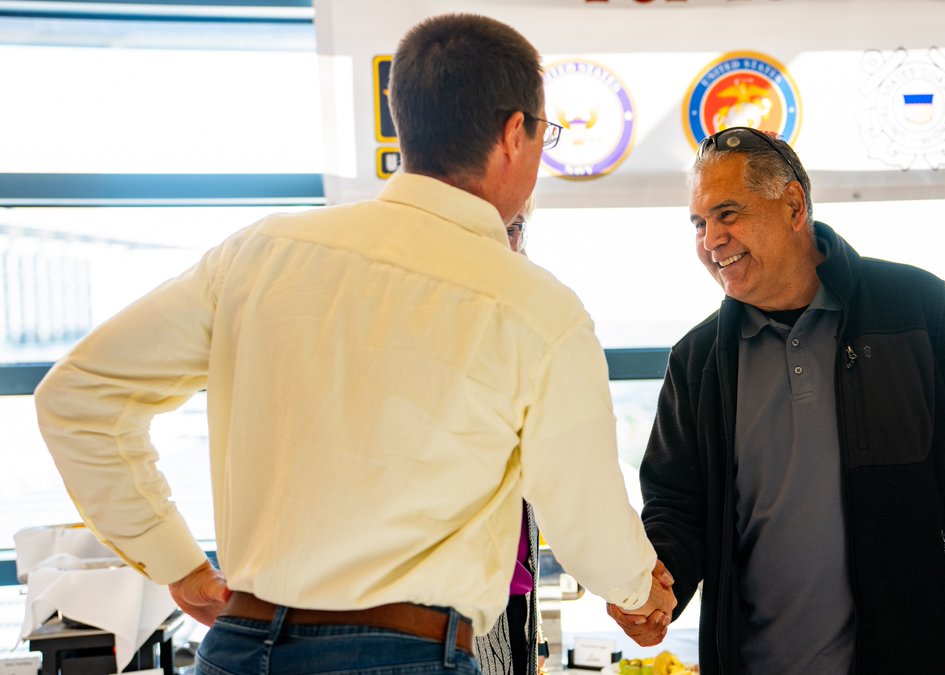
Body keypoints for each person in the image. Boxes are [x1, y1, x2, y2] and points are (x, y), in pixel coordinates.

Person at [34, 13, 674, 675]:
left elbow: (79, 397)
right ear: (515, 134)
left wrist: (176, 561)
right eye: (545, 134)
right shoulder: (536, 307)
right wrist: (639, 591)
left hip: (236, 650)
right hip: (407, 657)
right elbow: (585, 514)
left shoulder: (260, 255)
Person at [608, 127, 945, 674]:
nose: (711, 240)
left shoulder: (917, 310)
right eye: (699, 223)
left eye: (727, 214)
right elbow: (678, 508)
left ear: (793, 205)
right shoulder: (698, 359)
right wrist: (659, 586)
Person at [474, 201, 548, 675]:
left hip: (516, 605)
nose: (507, 245)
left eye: (516, 229)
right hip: (454, 617)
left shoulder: (524, 326)